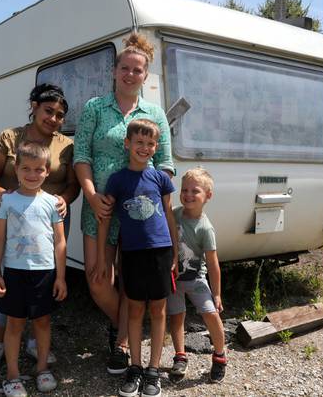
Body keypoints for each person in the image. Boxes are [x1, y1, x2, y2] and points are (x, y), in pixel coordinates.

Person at [73, 33, 174, 375]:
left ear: (146, 76)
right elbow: (81, 156)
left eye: (138, 70)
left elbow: (165, 163)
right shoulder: (94, 108)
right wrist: (90, 194)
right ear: (114, 71)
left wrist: (161, 212)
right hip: (100, 208)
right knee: (99, 279)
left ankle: (122, 343)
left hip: (141, 214)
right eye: (125, 68)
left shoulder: (154, 114)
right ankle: (131, 328)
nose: (131, 74)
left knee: (129, 282)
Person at [0, 83, 79, 373]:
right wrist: (0, 194)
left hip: (51, 219)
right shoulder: (10, 138)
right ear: (34, 107)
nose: (54, 119)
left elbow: (72, 184)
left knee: (44, 279)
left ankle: (37, 341)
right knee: (9, 282)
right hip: (13, 219)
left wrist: (64, 199)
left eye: (60, 115)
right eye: (49, 111)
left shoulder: (66, 145)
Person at [95, 119, 178, 397]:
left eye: (150, 143)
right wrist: (103, 258)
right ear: (127, 144)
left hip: (160, 253)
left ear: (156, 147)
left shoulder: (161, 178)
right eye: (139, 142)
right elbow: (105, 221)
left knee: (158, 310)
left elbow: (168, 216)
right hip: (130, 253)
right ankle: (135, 368)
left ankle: (153, 371)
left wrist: (176, 253)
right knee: (134, 310)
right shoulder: (117, 180)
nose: (144, 147)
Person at [0, 142, 67, 396]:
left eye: (39, 170)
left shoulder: (53, 203)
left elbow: (59, 241)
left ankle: (42, 368)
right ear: (16, 169)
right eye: (26, 169)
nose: (32, 175)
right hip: (14, 272)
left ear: (47, 171)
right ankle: (12, 376)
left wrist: (61, 277)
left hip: (45, 273)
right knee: (15, 324)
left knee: (43, 322)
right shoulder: (6, 201)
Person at [166, 168, 227, 383]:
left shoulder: (205, 228)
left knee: (210, 314)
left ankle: (220, 355)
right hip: (174, 279)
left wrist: (217, 294)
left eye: (195, 191)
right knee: (176, 316)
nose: (188, 195)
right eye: (185, 190)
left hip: (196, 280)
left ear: (208, 196)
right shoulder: (173, 214)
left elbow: (212, 263)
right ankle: (180, 356)